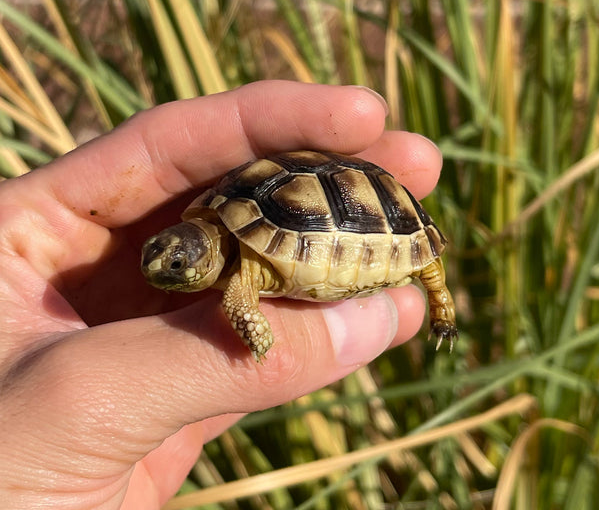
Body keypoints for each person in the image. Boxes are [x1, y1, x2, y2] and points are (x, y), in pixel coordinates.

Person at [0, 81, 443, 509]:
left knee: (429, 273)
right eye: (160, 259)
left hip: (355, 220)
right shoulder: (229, 251)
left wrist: (260, 349)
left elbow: (241, 302)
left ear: (204, 256)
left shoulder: (242, 276)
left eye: (177, 267)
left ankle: (442, 302)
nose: (160, 273)